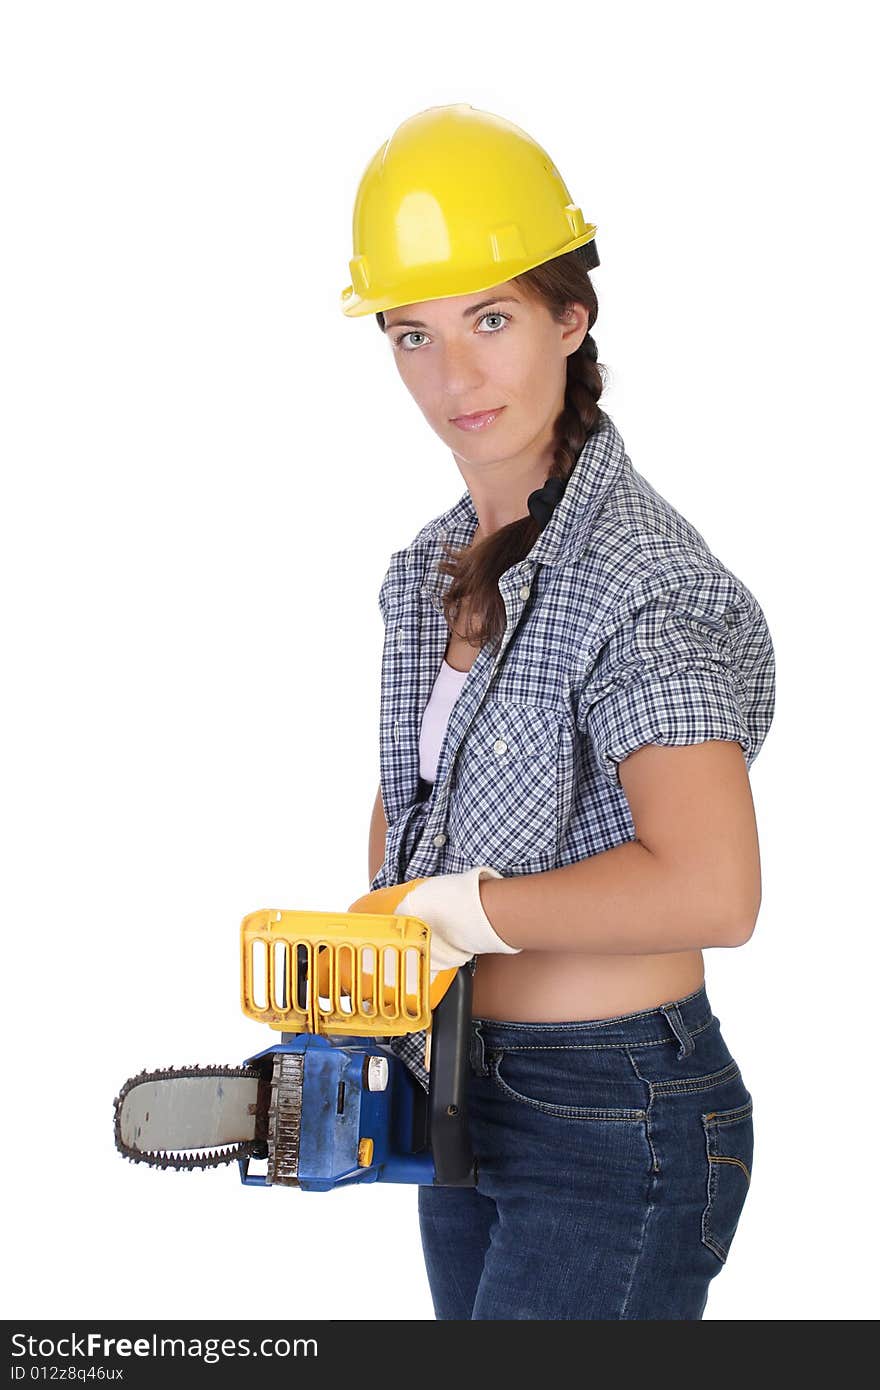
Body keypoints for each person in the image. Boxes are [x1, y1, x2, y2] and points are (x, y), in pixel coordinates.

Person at [342, 103, 775, 1320]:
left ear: (570, 318)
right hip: (468, 1083)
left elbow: (712, 889)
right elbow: (420, 806)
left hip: (615, 1114)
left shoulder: (641, 579)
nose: (455, 375)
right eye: (412, 335)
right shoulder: (432, 567)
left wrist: (459, 912)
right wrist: (382, 937)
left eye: (491, 319)